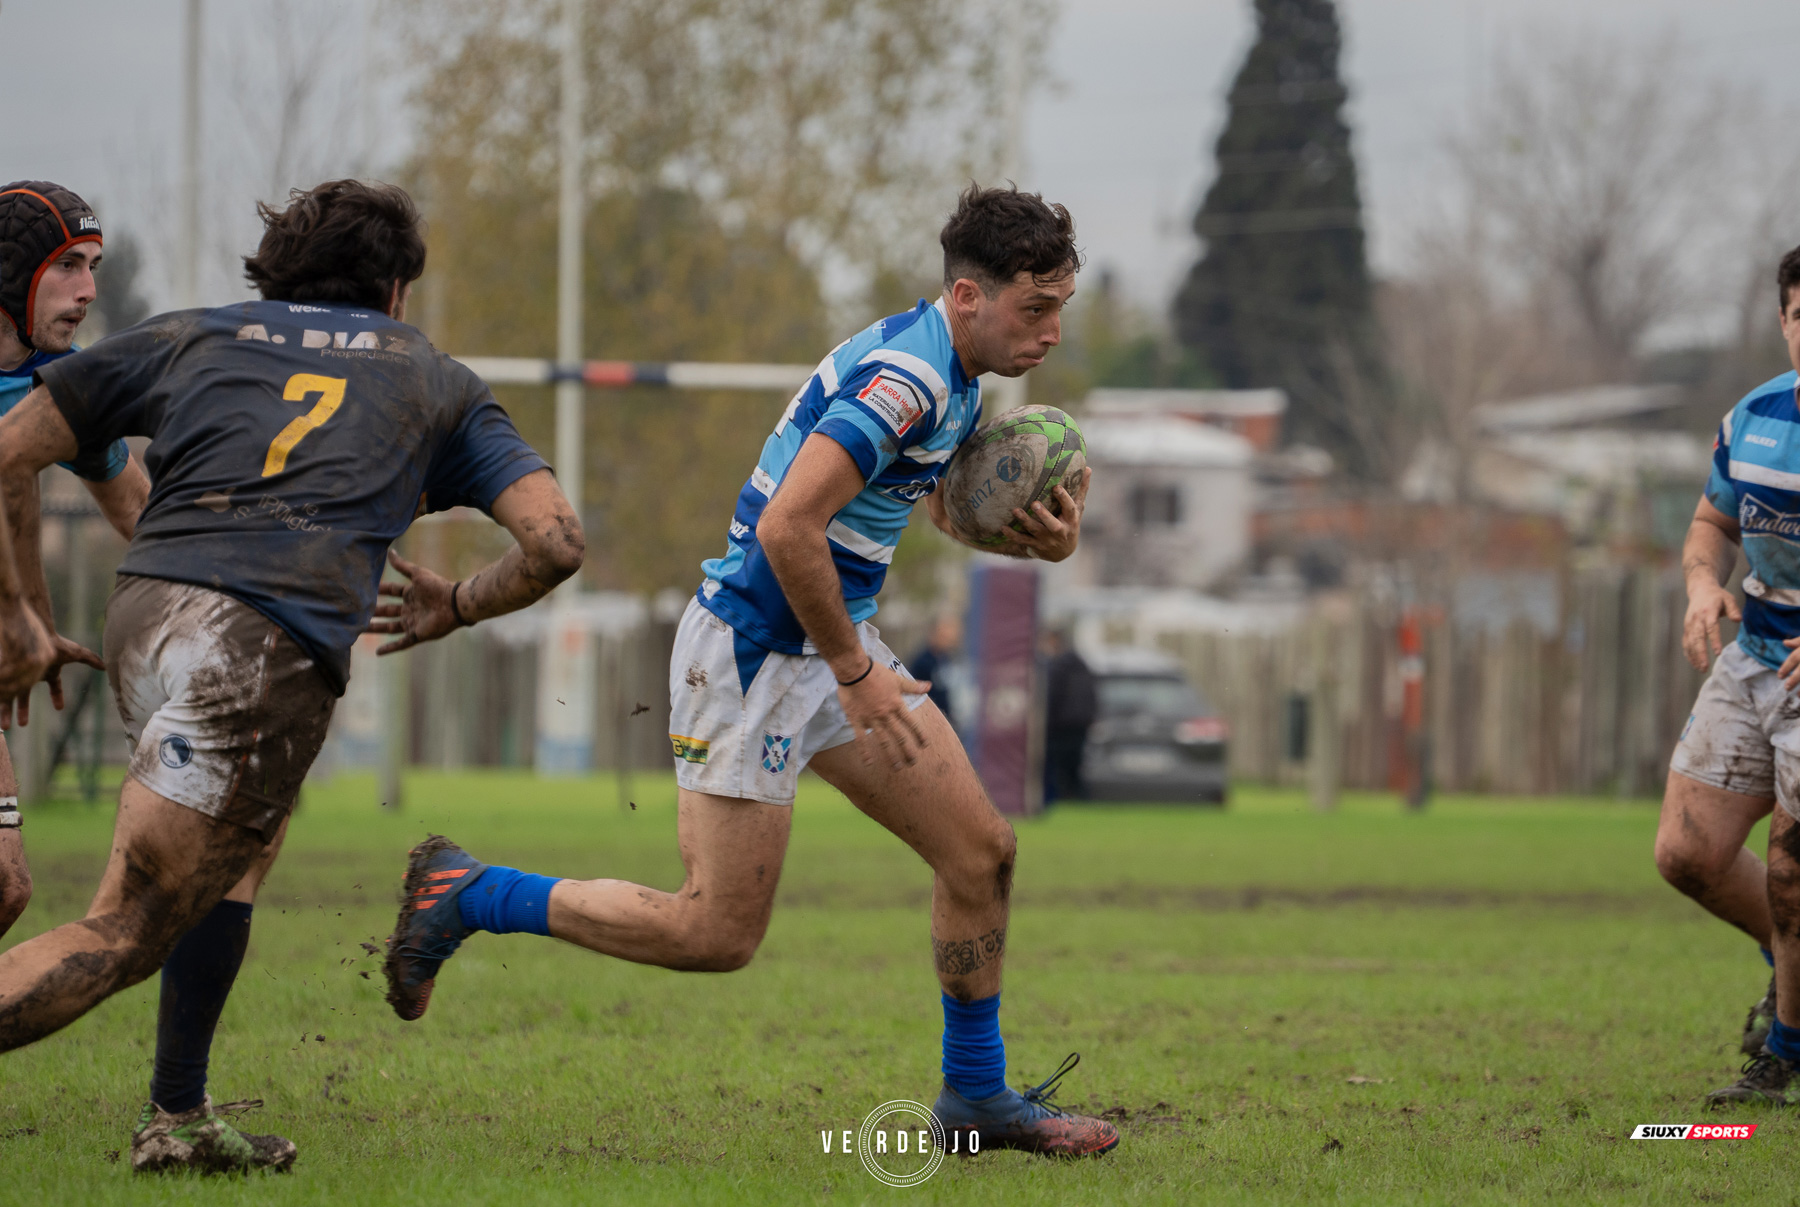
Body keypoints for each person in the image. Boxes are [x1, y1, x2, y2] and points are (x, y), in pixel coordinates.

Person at [384, 184, 1118, 1157]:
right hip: (753, 653)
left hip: (828, 648)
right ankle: (470, 892)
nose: (1053, 333)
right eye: (1038, 308)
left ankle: (974, 1099)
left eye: (1061, 308)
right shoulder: (905, 376)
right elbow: (787, 526)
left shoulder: (959, 377)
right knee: (715, 933)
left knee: (981, 854)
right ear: (969, 294)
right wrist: (856, 669)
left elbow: (932, 504)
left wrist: (1040, 546)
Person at [0, 179, 583, 1171]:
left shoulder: (192, 333)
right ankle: (174, 1112)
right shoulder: (432, 379)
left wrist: (18, 608)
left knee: (245, 847)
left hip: (144, 617)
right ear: (396, 290)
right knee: (129, 924)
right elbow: (558, 541)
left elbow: (11, 450)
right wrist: (463, 601)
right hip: (256, 649)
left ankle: (177, 1114)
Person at [1661, 243, 1800, 1105]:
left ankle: (1784, 1051)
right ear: (1785, 321)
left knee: (1791, 872)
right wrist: (1702, 582)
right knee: (1688, 853)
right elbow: (1712, 520)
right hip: (1756, 658)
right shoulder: (1752, 418)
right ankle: (1791, 969)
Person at [0, 182, 153, 936]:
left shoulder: (67, 388)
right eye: (67, 265)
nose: (89, 289)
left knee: (4, 887)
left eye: (94, 266)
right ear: (12, 275)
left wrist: (246, 586)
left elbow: (139, 511)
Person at [1042, 627, 1096, 803]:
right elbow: (1092, 696)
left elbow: (1052, 697)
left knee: (1059, 767)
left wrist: (1046, 723)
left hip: (1060, 726)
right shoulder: (1083, 665)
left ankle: (1062, 798)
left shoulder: (1057, 667)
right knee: (1075, 766)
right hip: (1080, 725)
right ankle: (1079, 798)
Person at [909, 613, 962, 729]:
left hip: (947, 721)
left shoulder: (945, 659)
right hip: (929, 722)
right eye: (944, 635)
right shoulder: (922, 662)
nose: (948, 639)